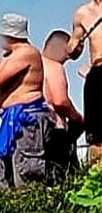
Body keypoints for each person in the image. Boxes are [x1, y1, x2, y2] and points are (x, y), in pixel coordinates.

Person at [0, 14, 48, 191]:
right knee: (6, 179)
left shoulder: (27, 53)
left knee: (26, 178)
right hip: (10, 119)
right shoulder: (8, 57)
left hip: (27, 121)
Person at [67, 0, 102, 165]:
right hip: (97, 72)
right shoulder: (82, 14)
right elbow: (74, 46)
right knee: (97, 137)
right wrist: (73, 48)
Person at [42, 29, 86, 183]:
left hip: (34, 131)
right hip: (55, 130)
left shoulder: (32, 66)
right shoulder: (54, 67)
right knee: (59, 177)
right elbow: (60, 101)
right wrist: (77, 117)